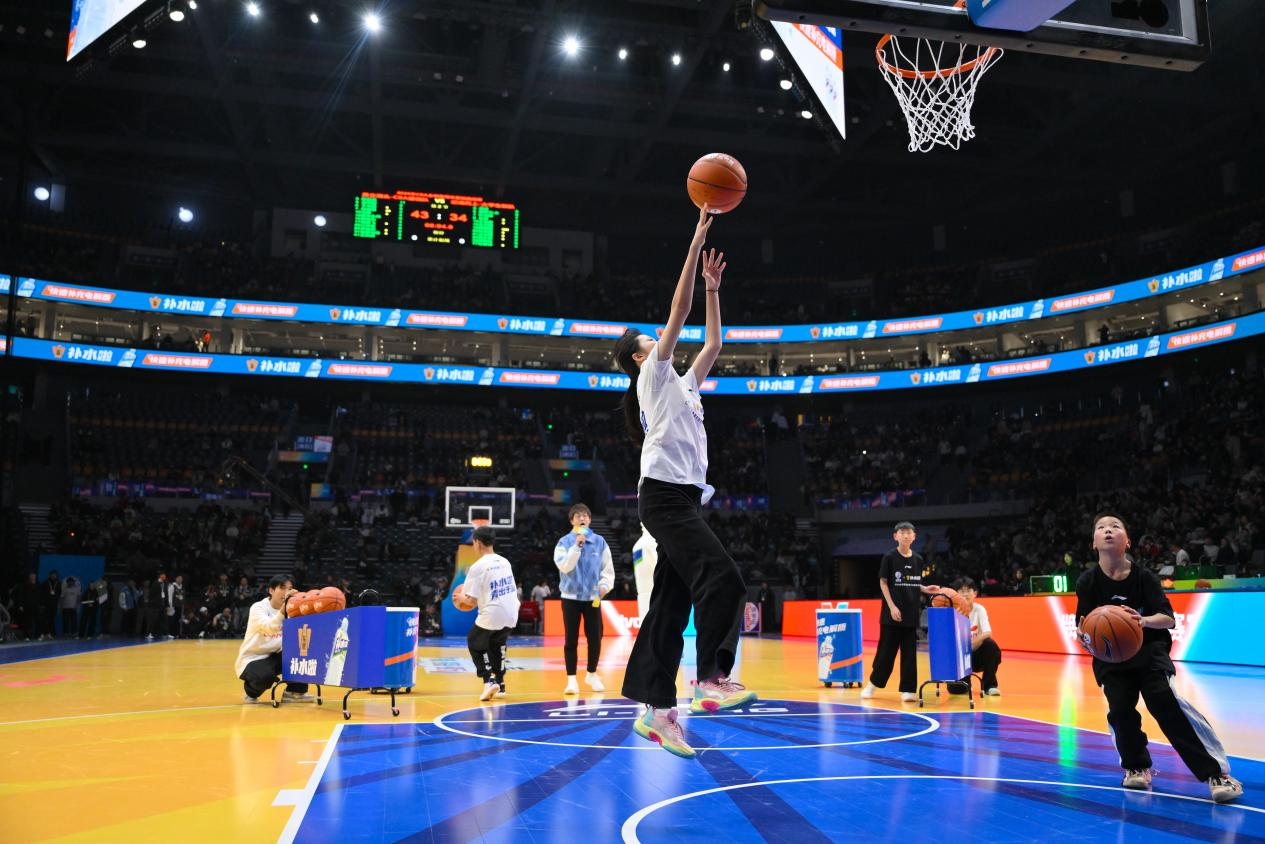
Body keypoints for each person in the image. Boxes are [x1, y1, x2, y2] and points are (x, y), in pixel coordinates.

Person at [613, 206, 753, 759]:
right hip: (665, 498)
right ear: (639, 356)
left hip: (685, 501)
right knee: (724, 577)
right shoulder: (651, 374)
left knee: (669, 609)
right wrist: (695, 244)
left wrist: (714, 289)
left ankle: (657, 711)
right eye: (650, 339)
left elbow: (713, 344)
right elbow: (679, 309)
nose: (659, 338)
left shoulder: (685, 383)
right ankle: (712, 680)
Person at [1076, 512, 1242, 803]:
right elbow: (1084, 626)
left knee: (1165, 702)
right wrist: (1085, 636)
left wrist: (1141, 621)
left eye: (1115, 526)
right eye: (1101, 527)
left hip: (1150, 651)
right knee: (1120, 710)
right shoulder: (1087, 581)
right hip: (1112, 658)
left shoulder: (1144, 577)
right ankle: (1136, 766)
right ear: (1094, 542)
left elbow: (1168, 618)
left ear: (1127, 542)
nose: (1108, 530)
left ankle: (1216, 773)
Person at [861, 522, 940, 703]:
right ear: (895, 536)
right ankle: (872, 684)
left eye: (909, 533)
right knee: (886, 653)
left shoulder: (918, 559)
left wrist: (925, 588)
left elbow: (911, 581)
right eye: (902, 532)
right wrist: (892, 606)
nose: (905, 535)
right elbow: (883, 583)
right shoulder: (889, 557)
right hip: (891, 616)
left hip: (911, 615)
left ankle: (908, 690)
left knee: (909, 655)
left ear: (914, 537)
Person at [554, 503, 614, 694]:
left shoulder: (600, 542)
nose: (582, 518)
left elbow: (608, 569)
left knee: (595, 638)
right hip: (570, 597)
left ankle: (591, 674)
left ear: (589, 520)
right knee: (571, 639)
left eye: (585, 515)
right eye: (578, 516)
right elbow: (565, 566)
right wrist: (577, 546)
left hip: (593, 597)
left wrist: (605, 586)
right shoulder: (564, 542)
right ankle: (571, 680)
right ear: (572, 520)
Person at [462, 526, 520, 702]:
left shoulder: (478, 567)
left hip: (493, 611)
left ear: (477, 542)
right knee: (497, 643)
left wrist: (460, 599)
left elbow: (471, 602)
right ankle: (500, 683)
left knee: (474, 641)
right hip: (512, 612)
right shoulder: (505, 561)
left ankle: (488, 681)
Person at [235, 574, 310, 704]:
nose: (286, 592)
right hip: (252, 659)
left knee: (303, 653)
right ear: (271, 590)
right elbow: (269, 628)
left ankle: (294, 692)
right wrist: (284, 609)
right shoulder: (258, 608)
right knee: (264, 677)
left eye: (289, 589)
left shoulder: (292, 610)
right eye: (282, 588)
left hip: (276, 655)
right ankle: (250, 693)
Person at [948, 577, 1002, 696]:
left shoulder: (979, 609)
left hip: (977, 656)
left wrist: (970, 644)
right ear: (956, 594)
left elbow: (987, 633)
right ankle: (965, 682)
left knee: (990, 645)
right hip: (960, 657)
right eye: (962, 591)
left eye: (968, 591)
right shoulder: (951, 611)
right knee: (957, 690)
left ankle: (989, 686)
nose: (965, 594)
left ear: (975, 594)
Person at [631, 523, 658, 622]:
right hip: (655, 591)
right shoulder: (652, 543)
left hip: (642, 592)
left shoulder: (638, 545)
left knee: (645, 624)